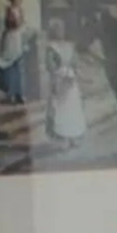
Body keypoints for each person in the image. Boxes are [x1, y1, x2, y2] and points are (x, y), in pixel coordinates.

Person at [43, 17, 86, 147]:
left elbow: (75, 62)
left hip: (71, 79)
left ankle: (73, 137)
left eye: (61, 29)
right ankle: (63, 138)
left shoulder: (69, 45)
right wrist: (60, 75)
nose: (60, 32)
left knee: (73, 108)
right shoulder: (51, 48)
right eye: (57, 30)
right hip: (59, 79)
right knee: (61, 109)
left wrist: (77, 74)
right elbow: (50, 66)